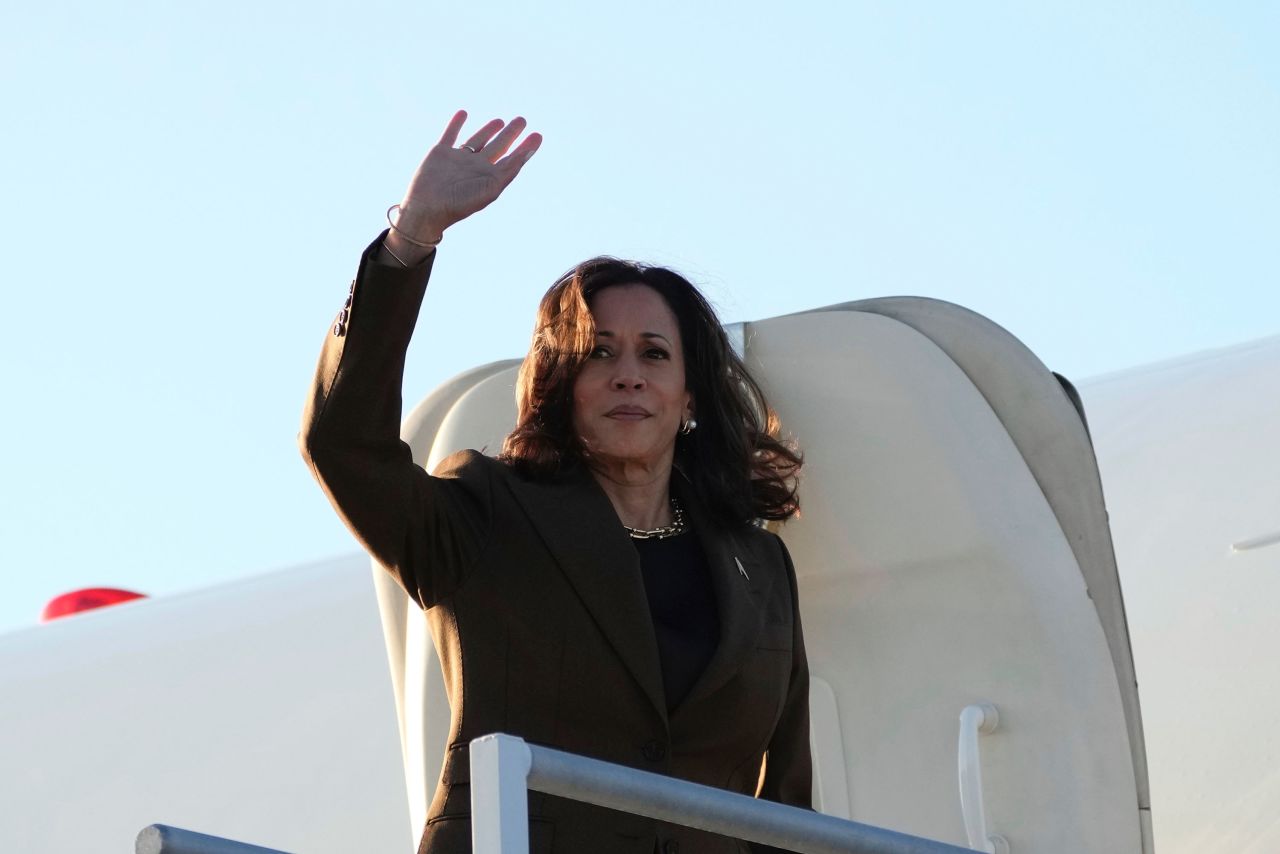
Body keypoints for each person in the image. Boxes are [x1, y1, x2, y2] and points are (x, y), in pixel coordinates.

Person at [300, 111, 811, 854]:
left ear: (690, 397)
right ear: (560, 384)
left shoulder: (759, 568)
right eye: (599, 353)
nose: (628, 373)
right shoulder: (483, 517)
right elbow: (343, 446)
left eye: (655, 354)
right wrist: (411, 240)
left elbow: (788, 807)